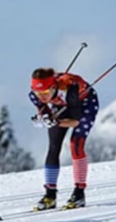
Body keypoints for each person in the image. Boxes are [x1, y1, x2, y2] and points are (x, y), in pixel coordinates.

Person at [29, 68, 99, 210]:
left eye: (45, 93)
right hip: (61, 104)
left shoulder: (71, 91)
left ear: (53, 87)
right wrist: (44, 118)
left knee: (76, 145)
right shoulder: (34, 96)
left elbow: (76, 121)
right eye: (38, 93)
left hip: (85, 104)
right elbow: (44, 111)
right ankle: (50, 194)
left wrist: (56, 122)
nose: (41, 97)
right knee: (54, 146)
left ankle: (79, 193)